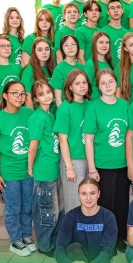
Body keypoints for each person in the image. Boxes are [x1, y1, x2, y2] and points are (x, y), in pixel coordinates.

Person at [0, 81, 35, 256]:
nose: (19, 97)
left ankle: (26, 236)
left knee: (27, 206)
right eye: (15, 93)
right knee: (13, 208)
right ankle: (15, 240)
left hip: (28, 171)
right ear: (5, 95)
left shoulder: (29, 113)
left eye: (22, 94)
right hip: (9, 172)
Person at [84, 69, 130, 252]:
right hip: (103, 165)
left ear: (116, 82)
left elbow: (130, 135)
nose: (108, 86)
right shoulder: (93, 107)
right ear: (98, 86)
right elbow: (88, 139)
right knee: (105, 205)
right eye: (103, 83)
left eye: (110, 81)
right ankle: (105, 241)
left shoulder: (125, 105)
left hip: (123, 164)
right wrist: (92, 168)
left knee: (122, 205)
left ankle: (120, 238)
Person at [55, 178, 120, 263]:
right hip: (75, 262)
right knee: (73, 247)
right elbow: (60, 247)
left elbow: (108, 250)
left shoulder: (108, 217)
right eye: (84, 193)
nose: (88, 198)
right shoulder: (70, 216)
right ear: (79, 195)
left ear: (99, 194)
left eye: (92, 193)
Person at [27, 80, 62, 257]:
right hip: (44, 171)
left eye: (48, 92)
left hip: (53, 169)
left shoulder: (50, 115)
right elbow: (32, 147)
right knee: (46, 211)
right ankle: (45, 245)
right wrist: (30, 168)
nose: (47, 96)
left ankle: (53, 241)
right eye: (41, 94)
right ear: (35, 99)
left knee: (56, 210)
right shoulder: (38, 118)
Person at [53, 69, 91, 212]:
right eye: (77, 83)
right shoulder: (65, 108)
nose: (82, 86)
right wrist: (69, 167)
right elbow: (62, 140)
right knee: (74, 203)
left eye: (84, 82)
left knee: (89, 202)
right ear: (70, 87)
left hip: (90, 160)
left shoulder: (90, 105)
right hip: (74, 161)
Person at [21, 37, 55, 111]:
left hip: (51, 113)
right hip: (37, 113)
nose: (44, 52)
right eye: (40, 50)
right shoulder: (29, 69)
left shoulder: (51, 68)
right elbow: (27, 96)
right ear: (34, 52)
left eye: (47, 49)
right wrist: (33, 115)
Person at [50, 34, 84, 106]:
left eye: (73, 44)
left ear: (78, 47)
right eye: (66, 45)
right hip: (67, 107)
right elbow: (58, 97)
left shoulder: (82, 67)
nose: (70, 47)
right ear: (62, 49)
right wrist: (61, 111)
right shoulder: (59, 69)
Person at [84, 31, 114, 100]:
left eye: (107, 42)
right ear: (94, 44)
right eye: (101, 42)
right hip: (94, 103)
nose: (104, 45)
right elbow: (86, 90)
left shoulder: (109, 63)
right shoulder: (89, 65)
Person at [116, 32, 133, 103]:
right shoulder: (120, 67)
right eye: (131, 45)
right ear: (125, 49)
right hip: (127, 107)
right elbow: (117, 94)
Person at [101, 0, 128, 66]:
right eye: (112, 8)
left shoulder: (127, 33)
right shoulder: (102, 32)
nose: (116, 10)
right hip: (108, 70)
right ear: (108, 12)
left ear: (122, 10)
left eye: (118, 7)